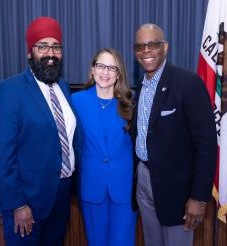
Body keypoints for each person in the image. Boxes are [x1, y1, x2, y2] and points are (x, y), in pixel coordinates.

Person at [0, 16, 82, 246]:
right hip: (26, 201)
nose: (50, 53)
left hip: (60, 196)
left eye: (56, 47)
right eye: (42, 46)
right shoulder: (9, 90)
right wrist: (18, 204)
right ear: (30, 52)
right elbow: (1, 156)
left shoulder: (64, 87)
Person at [131, 23, 217, 246]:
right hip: (144, 180)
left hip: (177, 190)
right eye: (140, 46)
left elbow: (206, 144)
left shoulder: (188, 83)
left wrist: (199, 197)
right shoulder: (138, 88)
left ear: (165, 47)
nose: (146, 51)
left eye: (152, 44)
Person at [72, 48, 136, 246]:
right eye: (101, 66)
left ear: (118, 74)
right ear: (92, 69)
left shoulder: (131, 102)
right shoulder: (76, 101)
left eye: (111, 68)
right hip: (92, 185)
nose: (105, 72)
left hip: (124, 188)